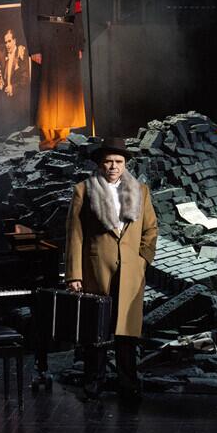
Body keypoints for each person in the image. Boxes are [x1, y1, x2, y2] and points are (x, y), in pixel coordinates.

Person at [65, 137, 158, 401]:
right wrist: (74, 274)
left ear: (125, 164)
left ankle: (128, 384)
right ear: (100, 164)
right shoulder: (84, 190)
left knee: (127, 331)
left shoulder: (140, 191)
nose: (113, 166)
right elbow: (74, 235)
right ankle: (94, 382)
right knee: (97, 330)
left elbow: (151, 229)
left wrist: (142, 260)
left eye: (118, 161)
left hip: (131, 272)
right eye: (108, 161)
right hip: (96, 270)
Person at [20, 0, 86, 150]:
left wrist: (80, 43)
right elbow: (28, 16)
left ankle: (64, 138)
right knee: (47, 91)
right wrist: (34, 48)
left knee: (66, 89)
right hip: (46, 40)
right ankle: (48, 141)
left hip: (67, 40)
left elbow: (77, 12)